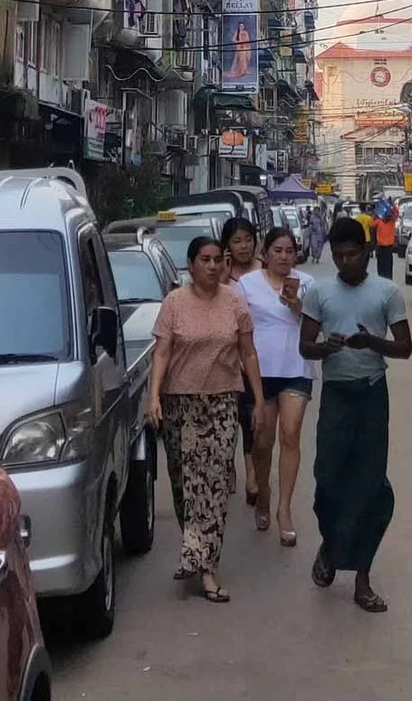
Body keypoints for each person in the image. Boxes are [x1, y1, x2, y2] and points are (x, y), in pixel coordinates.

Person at [301, 213, 412, 613]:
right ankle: (331, 546)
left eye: (352, 255)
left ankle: (362, 579)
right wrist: (325, 348)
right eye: (338, 256)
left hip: (371, 396)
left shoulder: (387, 292)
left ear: (367, 252)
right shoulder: (319, 293)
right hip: (336, 396)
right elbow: (305, 347)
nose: (345, 262)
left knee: (369, 487)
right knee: (327, 483)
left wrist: (372, 343)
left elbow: (405, 348)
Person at [146, 234, 266, 602]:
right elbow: (162, 354)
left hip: (221, 403)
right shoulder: (174, 304)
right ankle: (195, 549)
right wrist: (154, 396)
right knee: (184, 487)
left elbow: (248, 354)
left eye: (218, 260)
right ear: (191, 264)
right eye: (205, 260)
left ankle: (207, 568)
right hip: (179, 403)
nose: (213, 266)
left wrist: (258, 400)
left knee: (212, 486)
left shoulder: (234, 301)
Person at [238, 225, 313, 545]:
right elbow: (239, 329)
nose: (284, 256)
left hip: (296, 368)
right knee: (263, 442)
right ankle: (264, 495)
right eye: (277, 251)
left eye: (290, 251)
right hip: (259, 373)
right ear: (265, 254)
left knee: (291, 434)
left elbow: (313, 325)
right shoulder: (246, 284)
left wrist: (296, 303)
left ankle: (284, 509)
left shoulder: (307, 283)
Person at [221, 217, 265, 506]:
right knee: (228, 420)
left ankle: (251, 474)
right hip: (225, 360)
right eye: (236, 241)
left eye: (247, 239)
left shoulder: (266, 270)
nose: (243, 246)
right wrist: (223, 278)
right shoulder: (218, 274)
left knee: (252, 417)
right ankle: (229, 468)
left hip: (257, 358)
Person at [373, 198, 399, 278]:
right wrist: (393, 205)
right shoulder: (392, 221)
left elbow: (371, 224)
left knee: (382, 266)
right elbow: (397, 212)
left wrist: (375, 215)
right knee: (387, 266)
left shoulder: (380, 221)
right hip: (387, 248)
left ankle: (383, 278)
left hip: (382, 247)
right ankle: (387, 279)